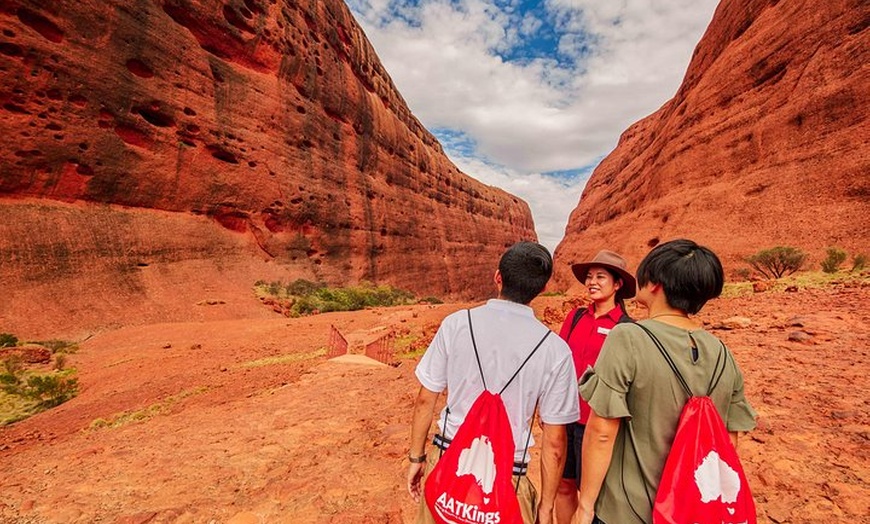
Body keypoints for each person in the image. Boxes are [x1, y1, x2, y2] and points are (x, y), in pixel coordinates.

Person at [575, 239, 757, 524]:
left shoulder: (628, 337)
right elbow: (729, 441)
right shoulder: (723, 353)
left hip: (627, 511)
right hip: (689, 511)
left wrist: (584, 506)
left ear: (655, 283)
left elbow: (601, 432)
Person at [407, 241, 581, 524]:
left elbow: (427, 397)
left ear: (498, 276)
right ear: (542, 289)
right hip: (508, 480)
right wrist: (546, 507)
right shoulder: (555, 350)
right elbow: (555, 442)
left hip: (448, 460)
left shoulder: (456, 324)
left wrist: (416, 458)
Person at [554, 250, 636, 524]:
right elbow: (559, 364)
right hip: (565, 417)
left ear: (617, 284)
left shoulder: (627, 328)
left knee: (592, 495)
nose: (592, 282)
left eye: (601, 277)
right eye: (589, 277)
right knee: (562, 486)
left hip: (597, 425)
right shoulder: (575, 317)